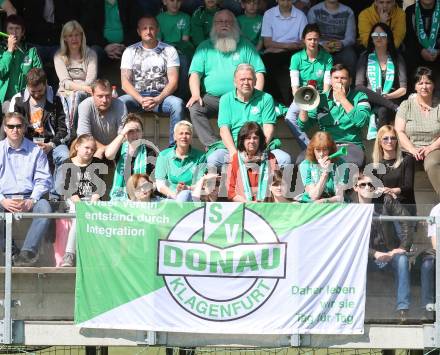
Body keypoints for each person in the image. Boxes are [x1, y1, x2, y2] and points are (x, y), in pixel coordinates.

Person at [187, 9, 265, 149]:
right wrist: (195, 94)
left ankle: (243, 145)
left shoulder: (246, 46)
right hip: (213, 99)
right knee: (195, 107)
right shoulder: (204, 47)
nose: (224, 24)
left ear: (235, 25)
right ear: (213, 25)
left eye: (228, 22)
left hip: (240, 98)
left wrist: (255, 96)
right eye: (220, 21)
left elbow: (259, 73)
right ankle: (214, 145)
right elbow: (194, 74)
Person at [209, 63, 291, 168]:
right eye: (242, 79)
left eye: (250, 79)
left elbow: (268, 128)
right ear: (235, 82)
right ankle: (227, 184)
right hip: (233, 147)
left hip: (260, 147)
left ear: (255, 81)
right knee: (213, 159)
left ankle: (273, 184)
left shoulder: (266, 98)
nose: (246, 83)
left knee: (284, 159)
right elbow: (224, 130)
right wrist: (234, 154)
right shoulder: (226, 99)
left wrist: (259, 151)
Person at [355, 172, 412, 324]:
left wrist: (402, 247)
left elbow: (407, 221)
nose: (367, 187)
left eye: (371, 185)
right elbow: (352, 243)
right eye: (363, 184)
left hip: (390, 253)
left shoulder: (386, 200)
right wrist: (374, 254)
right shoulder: (350, 209)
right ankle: (356, 311)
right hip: (365, 258)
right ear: (356, 188)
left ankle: (403, 310)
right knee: (352, 263)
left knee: (402, 260)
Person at [120, 15, 184, 147]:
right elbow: (125, 83)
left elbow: (173, 82)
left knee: (177, 104)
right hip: (137, 97)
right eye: (144, 28)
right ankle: (123, 146)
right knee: (120, 103)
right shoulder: (130, 51)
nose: (148, 31)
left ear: (157, 30)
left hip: (162, 97)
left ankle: (174, 149)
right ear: (138, 31)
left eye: (151, 28)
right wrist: (140, 99)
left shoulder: (169, 50)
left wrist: (157, 99)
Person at [0, 112, 52, 266]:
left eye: (18, 126)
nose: (15, 130)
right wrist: (3, 200)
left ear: (24, 128)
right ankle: (8, 250)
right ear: (5, 128)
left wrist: (32, 200)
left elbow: (44, 179)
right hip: (4, 197)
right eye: (11, 126)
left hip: (30, 196)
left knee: (45, 208)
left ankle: (27, 253)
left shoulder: (36, 150)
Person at [9, 68, 69, 200]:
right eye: (32, 92)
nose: (36, 95)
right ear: (27, 87)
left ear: (46, 84)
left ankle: (55, 197)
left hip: (52, 142)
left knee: (65, 155)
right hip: (26, 142)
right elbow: (11, 127)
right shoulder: (18, 100)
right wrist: (27, 144)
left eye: (40, 91)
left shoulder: (57, 99)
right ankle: (23, 195)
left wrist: (51, 144)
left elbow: (65, 130)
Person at [298, 63, 371, 167]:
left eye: (343, 78)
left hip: (350, 145)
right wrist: (304, 106)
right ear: (331, 80)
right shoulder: (320, 99)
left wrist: (343, 99)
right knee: (301, 162)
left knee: (347, 165)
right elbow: (303, 126)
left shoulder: (360, 96)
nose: (339, 81)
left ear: (350, 81)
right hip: (325, 145)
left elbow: (362, 122)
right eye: (336, 78)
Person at [58, 134, 105, 267]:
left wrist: (92, 204)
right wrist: (82, 206)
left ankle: (96, 256)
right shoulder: (68, 163)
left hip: (92, 199)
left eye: (92, 149)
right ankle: (69, 255)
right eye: (86, 148)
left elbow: (98, 189)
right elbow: (69, 190)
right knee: (78, 216)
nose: (89, 151)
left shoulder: (97, 163)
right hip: (74, 200)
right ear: (77, 146)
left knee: (100, 216)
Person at [285, 24, 333, 151]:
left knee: (327, 117)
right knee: (289, 117)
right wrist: (302, 101)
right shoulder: (296, 58)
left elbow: (327, 86)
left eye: (316, 39)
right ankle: (309, 149)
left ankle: (328, 150)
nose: (313, 42)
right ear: (304, 40)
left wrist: (321, 100)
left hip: (321, 95)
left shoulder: (327, 57)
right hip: (302, 95)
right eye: (309, 39)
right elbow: (294, 85)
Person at [395, 66, 440, 199]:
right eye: (420, 83)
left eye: (428, 83)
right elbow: (399, 131)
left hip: (434, 148)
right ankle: (407, 213)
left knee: (431, 163)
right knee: (401, 167)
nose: (424, 86)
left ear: (434, 85)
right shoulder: (406, 105)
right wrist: (412, 149)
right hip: (410, 149)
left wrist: (429, 148)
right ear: (415, 86)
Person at [355, 23, 407, 130]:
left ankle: (380, 143)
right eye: (375, 35)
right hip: (370, 97)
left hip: (392, 97)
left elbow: (403, 89)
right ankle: (394, 108)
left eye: (382, 35)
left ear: (388, 38)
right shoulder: (365, 56)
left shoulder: (397, 57)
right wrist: (381, 99)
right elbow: (359, 87)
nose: (378, 37)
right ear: (371, 38)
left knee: (382, 110)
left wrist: (388, 96)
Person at [54, 20, 98, 138]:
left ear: (82, 36)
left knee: (76, 96)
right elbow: (65, 82)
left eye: (77, 35)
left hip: (86, 93)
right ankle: (72, 133)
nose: (74, 39)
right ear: (65, 39)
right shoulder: (58, 56)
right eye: (70, 36)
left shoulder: (91, 54)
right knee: (73, 96)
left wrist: (82, 89)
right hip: (65, 94)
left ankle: (72, 133)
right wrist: (82, 87)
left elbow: (91, 80)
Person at [260, 0, 308, 106]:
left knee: (301, 60)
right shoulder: (269, 14)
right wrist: (287, 46)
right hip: (276, 51)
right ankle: (276, 101)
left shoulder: (300, 16)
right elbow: (267, 43)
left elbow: (304, 42)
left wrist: (282, 47)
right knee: (266, 63)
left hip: (293, 51)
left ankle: (295, 101)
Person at [105, 113, 157, 200]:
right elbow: (109, 155)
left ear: (142, 133)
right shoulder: (120, 148)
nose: (135, 134)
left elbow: (155, 180)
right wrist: (122, 133)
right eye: (130, 131)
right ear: (125, 133)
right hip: (121, 197)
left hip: (143, 197)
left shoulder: (149, 151)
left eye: (137, 130)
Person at [0, 15, 42, 114]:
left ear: (22, 32)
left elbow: (39, 76)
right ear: (6, 32)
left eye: (17, 29)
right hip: (4, 100)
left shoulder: (31, 52)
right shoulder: (1, 51)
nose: (14, 33)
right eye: (10, 29)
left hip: (26, 99)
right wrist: (9, 51)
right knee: (11, 110)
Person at [155, 121, 206, 201]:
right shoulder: (163, 155)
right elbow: (160, 184)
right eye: (181, 133)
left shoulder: (201, 157)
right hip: (170, 199)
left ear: (191, 136)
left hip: (192, 199)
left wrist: (187, 188)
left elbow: (200, 185)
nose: (184, 136)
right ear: (174, 136)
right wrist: (175, 195)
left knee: (185, 194)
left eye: (187, 133)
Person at [227, 121, 278, 202]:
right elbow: (230, 192)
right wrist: (249, 204)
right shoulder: (235, 159)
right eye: (248, 138)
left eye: (255, 138)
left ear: (260, 140)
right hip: (243, 206)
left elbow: (277, 185)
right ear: (242, 140)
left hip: (266, 205)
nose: (252, 141)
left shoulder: (270, 158)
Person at [77, 79, 127, 159]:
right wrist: (104, 149)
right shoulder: (85, 106)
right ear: (92, 94)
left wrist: (109, 150)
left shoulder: (120, 105)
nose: (104, 100)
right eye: (100, 96)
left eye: (108, 96)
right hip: (91, 149)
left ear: (111, 94)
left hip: (116, 149)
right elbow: (84, 135)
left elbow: (123, 134)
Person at [307, 0, 357, 77]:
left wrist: (342, 43)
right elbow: (310, 35)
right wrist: (321, 44)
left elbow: (351, 37)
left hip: (341, 46)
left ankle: (349, 86)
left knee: (350, 56)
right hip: (320, 46)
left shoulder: (348, 11)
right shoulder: (314, 11)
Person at [372, 125, 415, 211]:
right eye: (385, 138)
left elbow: (408, 187)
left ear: (397, 141)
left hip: (404, 206)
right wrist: (385, 191)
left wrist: (392, 191)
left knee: (388, 197)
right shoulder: (375, 165)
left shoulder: (407, 159)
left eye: (393, 138)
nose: (389, 141)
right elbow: (374, 190)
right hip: (384, 208)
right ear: (380, 141)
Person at [157, 0, 194, 100]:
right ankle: (162, 95)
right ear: (164, 2)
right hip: (164, 49)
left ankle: (181, 97)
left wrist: (176, 50)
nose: (175, 4)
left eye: (178, 1)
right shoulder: (159, 18)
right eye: (172, 0)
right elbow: (158, 41)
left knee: (183, 61)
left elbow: (185, 40)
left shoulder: (186, 17)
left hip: (181, 49)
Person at [297, 131, 347, 203]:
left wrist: (325, 201)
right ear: (313, 150)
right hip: (311, 204)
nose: (321, 154)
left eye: (325, 149)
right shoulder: (305, 165)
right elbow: (313, 196)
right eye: (318, 150)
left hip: (333, 204)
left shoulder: (341, 164)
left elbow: (340, 197)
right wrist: (325, 173)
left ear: (330, 150)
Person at [405, 0, 440, 96]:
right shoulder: (410, 11)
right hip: (417, 57)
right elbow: (408, 37)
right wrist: (420, 50)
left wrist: (438, 51)